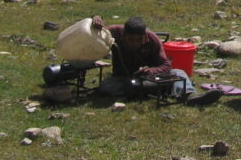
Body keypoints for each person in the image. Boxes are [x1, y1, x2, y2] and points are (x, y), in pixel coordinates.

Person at [91, 15, 220, 106]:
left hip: (150, 77)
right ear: (124, 35)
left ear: (144, 37)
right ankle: (160, 90)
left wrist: (150, 71)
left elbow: (165, 65)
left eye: (138, 40)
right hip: (124, 77)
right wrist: (96, 18)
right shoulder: (115, 32)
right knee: (106, 86)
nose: (134, 43)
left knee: (179, 72)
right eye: (131, 40)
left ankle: (190, 96)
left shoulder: (152, 40)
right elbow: (99, 30)